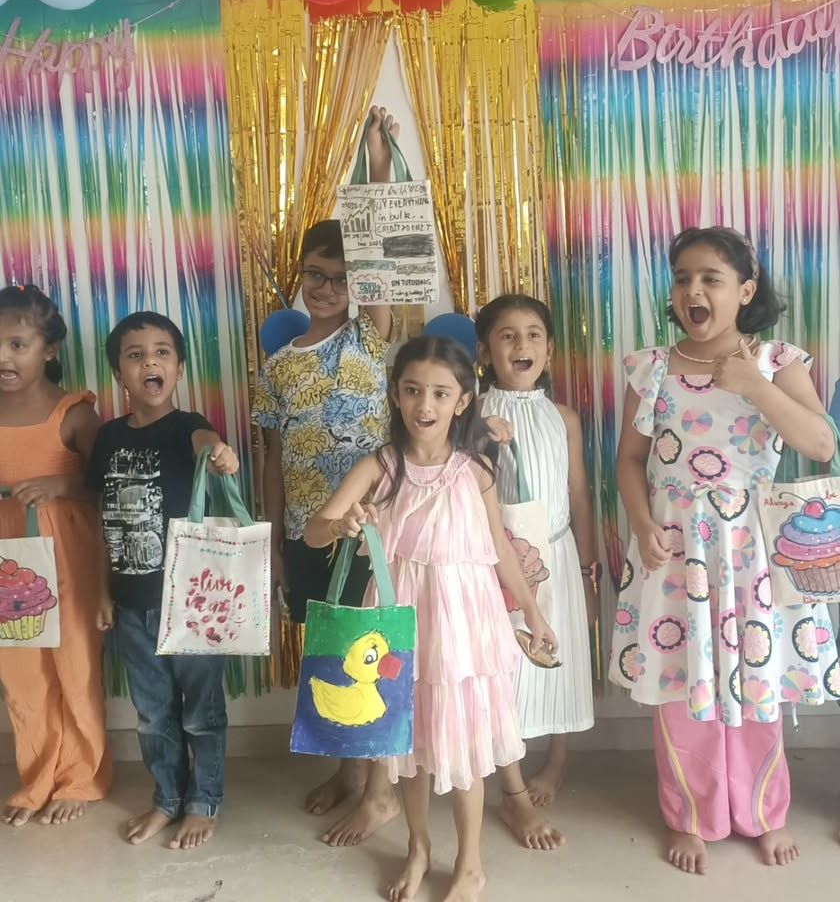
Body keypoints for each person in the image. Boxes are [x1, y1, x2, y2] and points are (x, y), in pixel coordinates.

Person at [608, 226, 840, 875]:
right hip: (676, 547)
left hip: (752, 550)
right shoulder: (650, 368)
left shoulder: (778, 362)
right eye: (683, 277)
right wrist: (640, 523)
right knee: (684, 681)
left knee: (755, 674)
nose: (693, 290)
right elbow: (629, 461)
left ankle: (765, 812)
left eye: (711, 278)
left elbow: (822, 443)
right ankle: (690, 814)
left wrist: (754, 386)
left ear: (745, 290)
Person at [304, 335, 557, 901]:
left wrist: (534, 613)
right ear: (396, 394)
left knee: (465, 746)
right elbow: (315, 530)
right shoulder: (380, 466)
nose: (425, 404)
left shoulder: (476, 471)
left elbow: (501, 550)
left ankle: (470, 863)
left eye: (441, 393)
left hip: (464, 622)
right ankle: (418, 848)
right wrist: (341, 525)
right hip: (401, 619)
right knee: (409, 746)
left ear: (462, 401)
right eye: (413, 390)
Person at [253, 106, 400, 846]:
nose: (327, 286)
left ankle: (380, 792)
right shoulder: (278, 365)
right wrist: (274, 542)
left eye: (342, 278)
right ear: (301, 275)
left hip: (370, 530)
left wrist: (377, 164)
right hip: (306, 531)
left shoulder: (371, 337)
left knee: (366, 650)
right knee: (329, 653)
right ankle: (348, 771)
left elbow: (378, 246)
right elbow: (273, 458)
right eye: (316, 274)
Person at [88, 311, 239, 851]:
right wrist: (102, 591)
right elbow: (101, 519)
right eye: (135, 355)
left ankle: (204, 801)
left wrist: (218, 452)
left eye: (161, 352)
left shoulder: (186, 426)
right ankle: (167, 798)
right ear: (119, 374)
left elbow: (205, 441)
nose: (149, 362)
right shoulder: (108, 437)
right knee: (153, 716)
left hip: (192, 604)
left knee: (202, 713)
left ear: (178, 368)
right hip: (131, 605)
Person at [475, 294, 595, 850]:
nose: (521, 345)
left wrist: (589, 568)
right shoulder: (471, 412)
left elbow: (578, 493)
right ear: (485, 352)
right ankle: (513, 788)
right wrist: (477, 430)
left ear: (549, 349)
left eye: (533, 335)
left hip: (560, 554)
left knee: (562, 657)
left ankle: (557, 762)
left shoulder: (563, 417)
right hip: (501, 562)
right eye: (507, 335)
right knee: (509, 671)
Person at [0, 284, 111, 828]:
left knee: (74, 664)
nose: (4, 357)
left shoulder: (75, 413)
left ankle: (83, 777)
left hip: (69, 558)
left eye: (17, 345)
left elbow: (110, 489)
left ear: (48, 349)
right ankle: (38, 775)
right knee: (22, 669)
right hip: (9, 562)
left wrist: (61, 485)